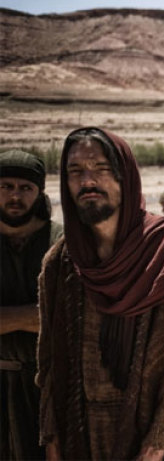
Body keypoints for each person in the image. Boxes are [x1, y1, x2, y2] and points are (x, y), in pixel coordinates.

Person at [37, 127, 164, 460]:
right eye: (76, 171)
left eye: (101, 169)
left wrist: (157, 445)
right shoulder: (62, 262)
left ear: (125, 176)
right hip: (82, 434)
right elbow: (49, 362)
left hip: (158, 442)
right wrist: (52, 434)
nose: (87, 181)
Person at [0, 150, 62, 460]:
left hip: (49, 388)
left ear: (39, 192)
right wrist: (37, 314)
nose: (15, 195)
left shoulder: (60, 242)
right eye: (6, 186)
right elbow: (50, 316)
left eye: (25, 188)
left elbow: (68, 317)